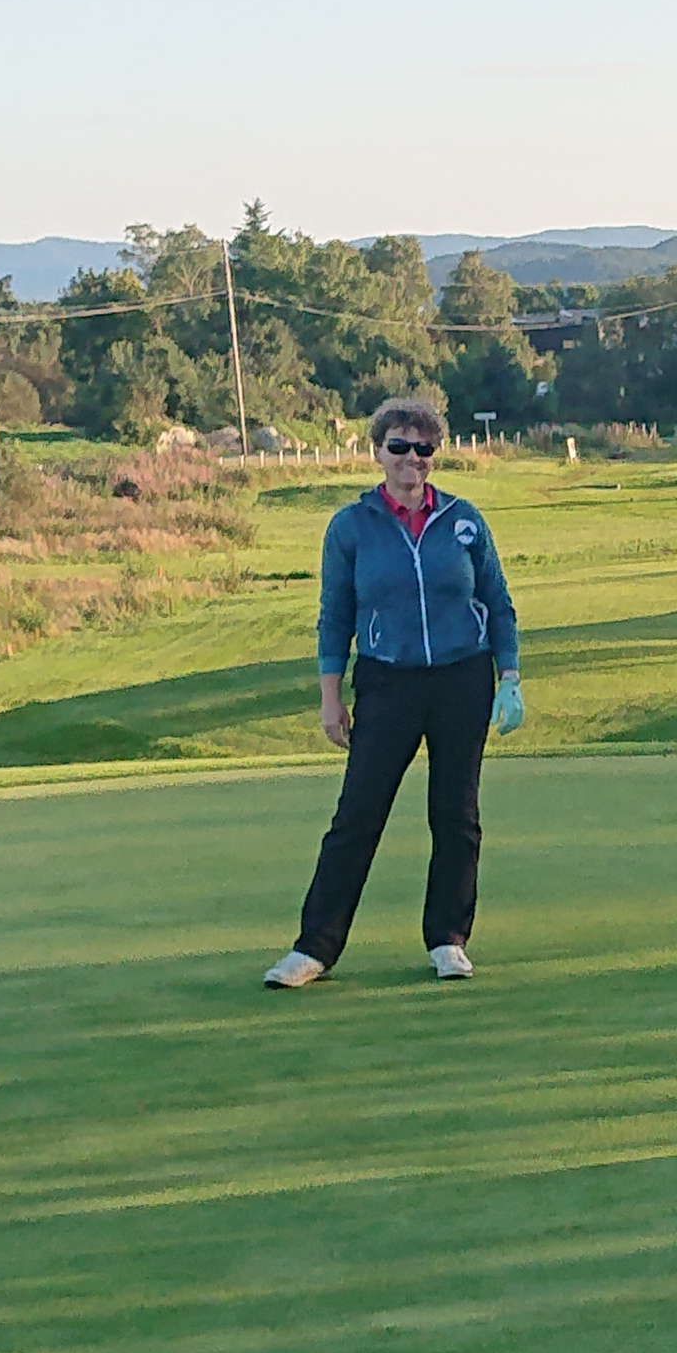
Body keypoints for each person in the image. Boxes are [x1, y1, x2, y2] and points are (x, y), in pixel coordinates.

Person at [266, 395, 521, 987]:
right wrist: (331, 696)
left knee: (456, 815)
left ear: (435, 454)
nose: (412, 458)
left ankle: (448, 940)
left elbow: (498, 603)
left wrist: (509, 676)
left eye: (423, 447)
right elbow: (336, 616)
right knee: (357, 813)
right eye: (399, 446)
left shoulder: (463, 520)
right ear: (378, 451)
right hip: (387, 681)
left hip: (463, 677)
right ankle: (315, 948)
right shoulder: (352, 526)